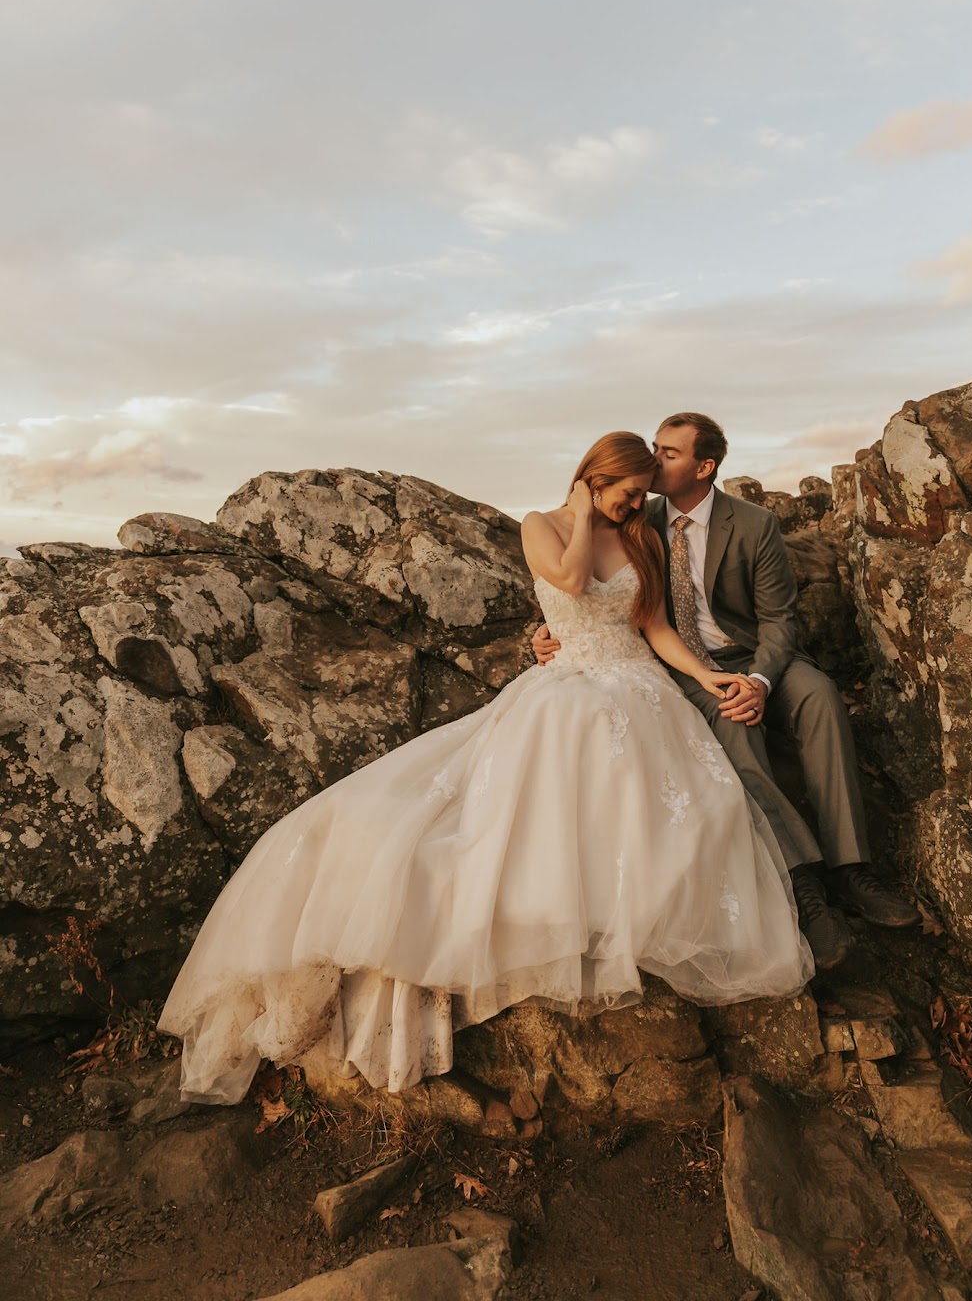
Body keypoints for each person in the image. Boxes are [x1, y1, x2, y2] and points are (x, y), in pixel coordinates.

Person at [158, 432, 813, 1105]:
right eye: (624, 491)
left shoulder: (639, 535)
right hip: (569, 681)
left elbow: (652, 626)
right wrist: (584, 514)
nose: (633, 504)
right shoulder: (542, 526)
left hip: (637, 679)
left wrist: (706, 676)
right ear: (594, 478)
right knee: (558, 751)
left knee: (678, 794)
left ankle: (629, 912)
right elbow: (566, 581)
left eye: (639, 495)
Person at [534, 414, 919, 970]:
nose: (654, 460)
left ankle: (852, 869)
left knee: (819, 698)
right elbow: (588, 587)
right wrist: (551, 631)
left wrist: (761, 681)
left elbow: (781, 620)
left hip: (755, 655)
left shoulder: (754, 524)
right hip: (689, 667)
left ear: (704, 466)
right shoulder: (640, 516)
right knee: (731, 722)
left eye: (668, 453)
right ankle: (803, 885)